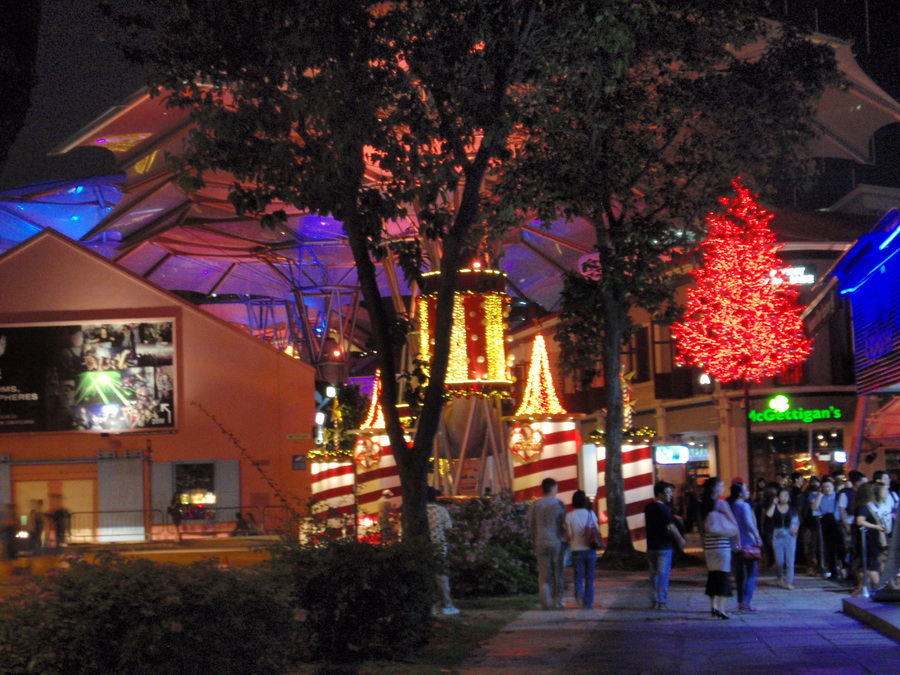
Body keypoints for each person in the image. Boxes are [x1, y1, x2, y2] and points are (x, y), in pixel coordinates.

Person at [700, 476, 739, 619]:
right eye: (721, 486)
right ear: (715, 488)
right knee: (723, 575)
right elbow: (734, 524)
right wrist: (737, 539)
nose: (723, 488)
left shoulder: (703, 505)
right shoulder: (721, 504)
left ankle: (713, 606)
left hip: (709, 546)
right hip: (722, 545)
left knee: (713, 576)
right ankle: (722, 607)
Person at [644, 481, 686, 611]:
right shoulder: (664, 509)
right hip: (664, 546)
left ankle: (655, 598)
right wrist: (680, 539)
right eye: (668, 493)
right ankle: (662, 600)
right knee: (663, 574)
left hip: (651, 546)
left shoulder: (648, 508)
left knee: (654, 574)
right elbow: (670, 526)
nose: (670, 495)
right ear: (660, 494)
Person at [528, 477, 567, 610]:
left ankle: (545, 601)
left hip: (540, 540)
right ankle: (558, 600)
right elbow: (565, 523)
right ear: (553, 488)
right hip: (556, 541)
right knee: (558, 572)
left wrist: (534, 540)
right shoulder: (559, 504)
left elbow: (531, 525)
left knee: (544, 573)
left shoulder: (535, 505)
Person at [727, 482, 763, 613]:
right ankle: (746, 603)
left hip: (735, 544)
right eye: (746, 489)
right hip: (748, 543)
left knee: (740, 575)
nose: (748, 491)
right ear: (739, 493)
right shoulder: (744, 506)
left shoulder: (730, 506)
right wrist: (757, 537)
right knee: (752, 574)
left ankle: (740, 602)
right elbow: (749, 524)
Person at [565, 490, 601, 609]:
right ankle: (588, 603)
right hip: (590, 550)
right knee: (590, 577)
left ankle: (579, 597)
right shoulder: (591, 514)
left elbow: (569, 536)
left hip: (576, 550)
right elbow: (597, 531)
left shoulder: (569, 516)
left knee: (578, 576)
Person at [427, 486, 459, 615]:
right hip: (439, 546)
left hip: (421, 545)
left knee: (425, 576)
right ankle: (446, 604)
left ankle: (430, 605)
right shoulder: (441, 511)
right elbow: (448, 527)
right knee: (441, 576)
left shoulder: (416, 510)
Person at [853, 482, 887, 595]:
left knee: (865, 566)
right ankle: (879, 588)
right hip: (868, 540)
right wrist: (876, 526)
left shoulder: (868, 506)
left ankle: (862, 586)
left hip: (870, 539)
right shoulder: (863, 507)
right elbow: (860, 521)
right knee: (872, 565)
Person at [766, 488, 799, 589]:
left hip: (789, 534)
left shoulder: (792, 509)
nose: (783, 498)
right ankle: (779, 577)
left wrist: (795, 530)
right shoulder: (775, 507)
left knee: (790, 560)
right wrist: (773, 504)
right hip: (777, 534)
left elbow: (797, 521)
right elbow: (768, 515)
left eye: (786, 495)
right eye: (781, 495)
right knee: (779, 560)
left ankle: (789, 582)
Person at [811, 478, 841, 578]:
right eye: (825, 487)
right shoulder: (820, 497)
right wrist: (819, 496)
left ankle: (841, 568)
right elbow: (814, 508)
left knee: (840, 547)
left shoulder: (838, 496)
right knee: (829, 548)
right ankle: (833, 570)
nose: (827, 489)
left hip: (837, 523)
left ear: (833, 487)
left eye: (829, 487)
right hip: (826, 523)